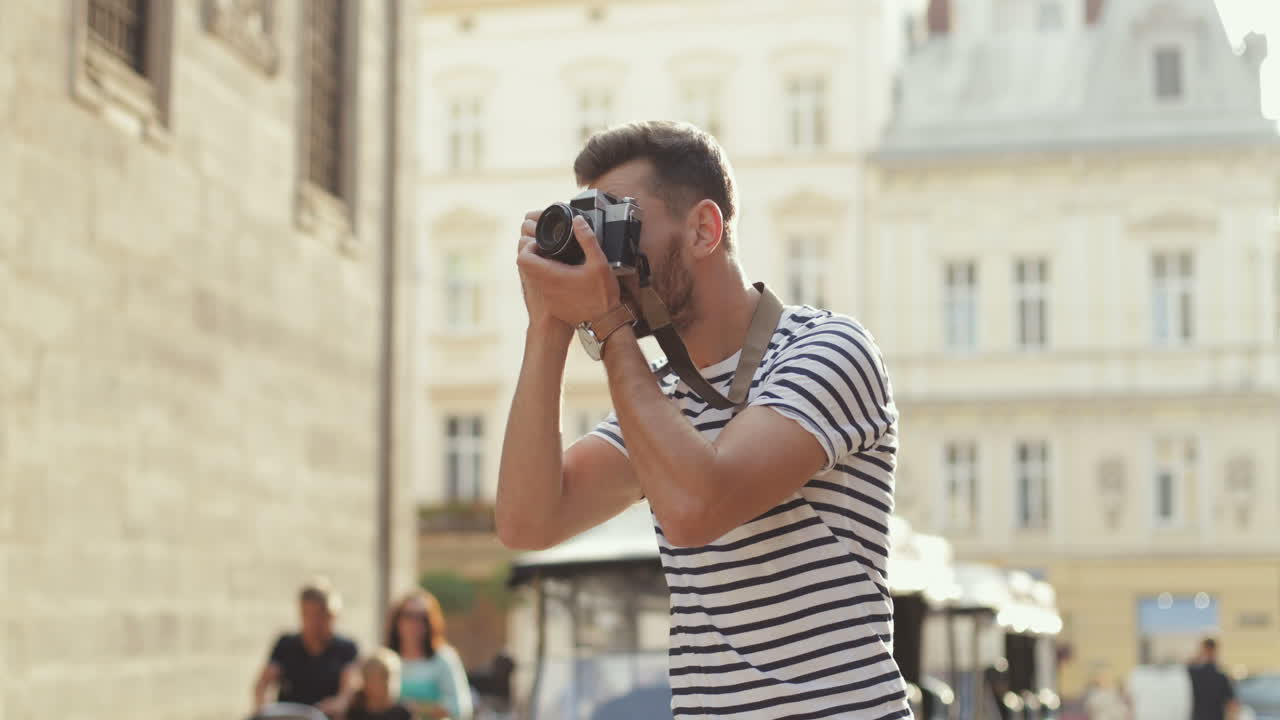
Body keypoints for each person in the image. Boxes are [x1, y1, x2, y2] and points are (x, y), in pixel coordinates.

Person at [497, 120, 910, 718]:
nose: (607, 259)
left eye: (621, 225)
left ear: (704, 228)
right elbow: (525, 523)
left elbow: (698, 508)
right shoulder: (658, 404)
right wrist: (549, 327)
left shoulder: (827, 349)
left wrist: (609, 324)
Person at [251, 579, 359, 717]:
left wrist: (338, 703)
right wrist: (263, 708)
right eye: (310, 615)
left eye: (322, 615)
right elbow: (263, 683)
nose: (315, 622)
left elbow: (349, 689)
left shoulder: (346, 648)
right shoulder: (286, 644)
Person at [386, 589, 473, 720]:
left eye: (422, 618)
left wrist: (419, 708)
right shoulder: (387, 658)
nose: (415, 624)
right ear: (397, 620)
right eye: (408, 616)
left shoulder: (444, 658)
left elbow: (461, 707)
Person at [346, 649, 414, 720]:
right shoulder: (356, 711)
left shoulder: (403, 712)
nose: (387, 684)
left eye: (387, 677)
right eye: (378, 678)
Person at [1189, 638, 1240, 720]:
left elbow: (1231, 703)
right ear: (1215, 651)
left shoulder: (1193, 673)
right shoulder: (1221, 677)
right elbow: (1232, 704)